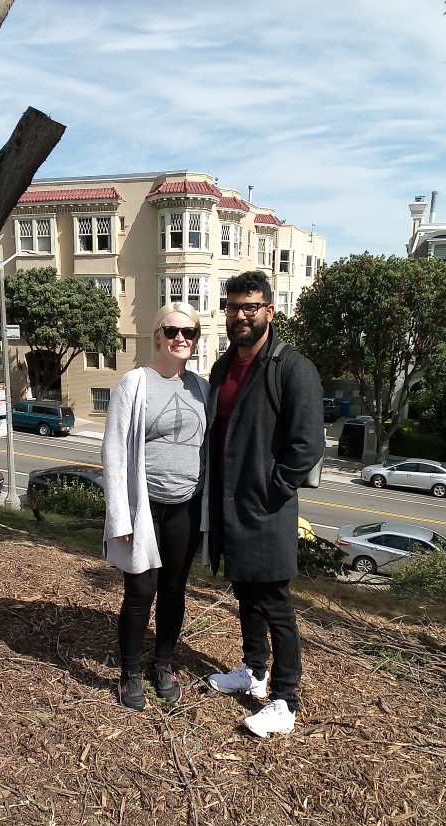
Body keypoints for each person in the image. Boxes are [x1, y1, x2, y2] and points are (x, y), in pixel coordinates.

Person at [207, 271, 324, 737]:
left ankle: (285, 700)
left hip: (266, 508)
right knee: (245, 593)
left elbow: (306, 445)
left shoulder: (291, 368)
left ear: (269, 312)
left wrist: (269, 491)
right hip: (228, 506)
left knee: (275, 603)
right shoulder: (222, 366)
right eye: (233, 306)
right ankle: (253, 670)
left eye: (250, 306)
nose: (240, 315)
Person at [102, 302, 209, 712]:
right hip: (144, 508)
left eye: (190, 332)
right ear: (157, 336)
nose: (181, 338)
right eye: (173, 330)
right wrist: (119, 516)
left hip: (185, 507)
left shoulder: (201, 388)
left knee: (174, 592)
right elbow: (113, 450)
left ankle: (162, 664)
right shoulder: (135, 383)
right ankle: (129, 673)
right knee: (140, 592)